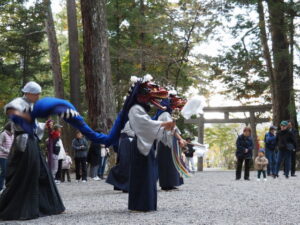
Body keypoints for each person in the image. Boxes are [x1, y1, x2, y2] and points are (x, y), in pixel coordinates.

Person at [0, 81, 65, 220]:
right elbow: (9, 109)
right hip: (23, 144)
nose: (38, 96)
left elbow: (34, 126)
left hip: (32, 141)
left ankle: (48, 206)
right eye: (36, 94)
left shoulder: (31, 105)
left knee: (41, 172)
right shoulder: (19, 102)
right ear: (28, 93)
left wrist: (43, 124)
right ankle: (21, 209)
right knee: (25, 174)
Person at [127, 75, 174, 212]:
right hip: (140, 145)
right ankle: (141, 204)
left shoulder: (139, 109)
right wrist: (163, 124)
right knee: (142, 175)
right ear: (141, 96)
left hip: (145, 144)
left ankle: (146, 202)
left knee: (148, 174)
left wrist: (162, 126)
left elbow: (148, 125)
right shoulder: (134, 109)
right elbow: (145, 125)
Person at [154, 96, 186, 191]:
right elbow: (171, 129)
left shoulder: (167, 114)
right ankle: (167, 184)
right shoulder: (165, 115)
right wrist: (180, 139)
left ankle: (170, 183)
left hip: (167, 141)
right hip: (165, 142)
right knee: (167, 163)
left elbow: (173, 128)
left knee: (170, 163)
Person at [106, 121, 134, 191]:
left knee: (123, 163)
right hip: (127, 141)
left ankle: (119, 185)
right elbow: (128, 132)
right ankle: (124, 186)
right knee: (125, 164)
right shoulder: (128, 121)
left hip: (126, 141)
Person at [0, 123, 14, 192]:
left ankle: (6, 187)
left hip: (10, 157)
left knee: (9, 172)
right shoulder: (3, 134)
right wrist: (7, 151)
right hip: (3, 156)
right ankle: (0, 187)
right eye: (12, 128)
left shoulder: (12, 135)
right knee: (4, 172)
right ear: (9, 128)